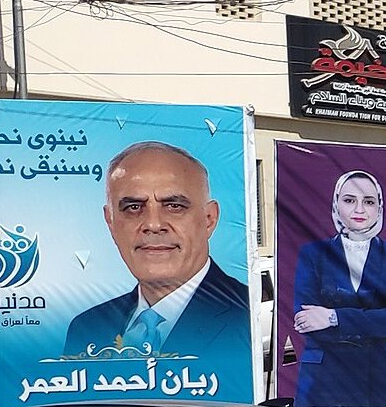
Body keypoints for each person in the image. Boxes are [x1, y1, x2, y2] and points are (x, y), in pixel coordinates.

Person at [63, 141, 250, 368]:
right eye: (133, 207)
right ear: (110, 222)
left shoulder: (249, 318)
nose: (153, 224)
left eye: (174, 206)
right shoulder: (87, 328)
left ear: (209, 219)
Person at [291, 169, 386, 407]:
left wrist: (333, 316)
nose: (359, 210)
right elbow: (305, 319)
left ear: (379, 208)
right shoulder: (313, 254)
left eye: (368, 202)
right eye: (350, 200)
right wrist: (373, 320)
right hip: (328, 377)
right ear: (336, 203)